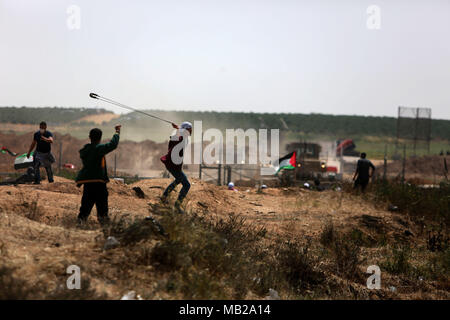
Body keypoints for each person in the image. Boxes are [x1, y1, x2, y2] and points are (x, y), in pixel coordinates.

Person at [75, 125, 121, 226]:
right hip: (99, 184)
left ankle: (78, 228)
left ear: (89, 137)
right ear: (100, 138)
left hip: (88, 184)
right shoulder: (99, 149)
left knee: (84, 210)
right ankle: (106, 232)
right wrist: (117, 132)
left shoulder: (86, 150)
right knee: (103, 212)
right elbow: (113, 144)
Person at [160, 122, 192, 213]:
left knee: (178, 180)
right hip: (172, 165)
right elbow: (178, 138)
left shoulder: (182, 137)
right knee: (187, 184)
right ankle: (177, 205)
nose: (191, 131)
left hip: (174, 165)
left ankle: (164, 196)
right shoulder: (178, 137)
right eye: (190, 129)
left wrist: (179, 129)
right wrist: (178, 129)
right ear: (186, 129)